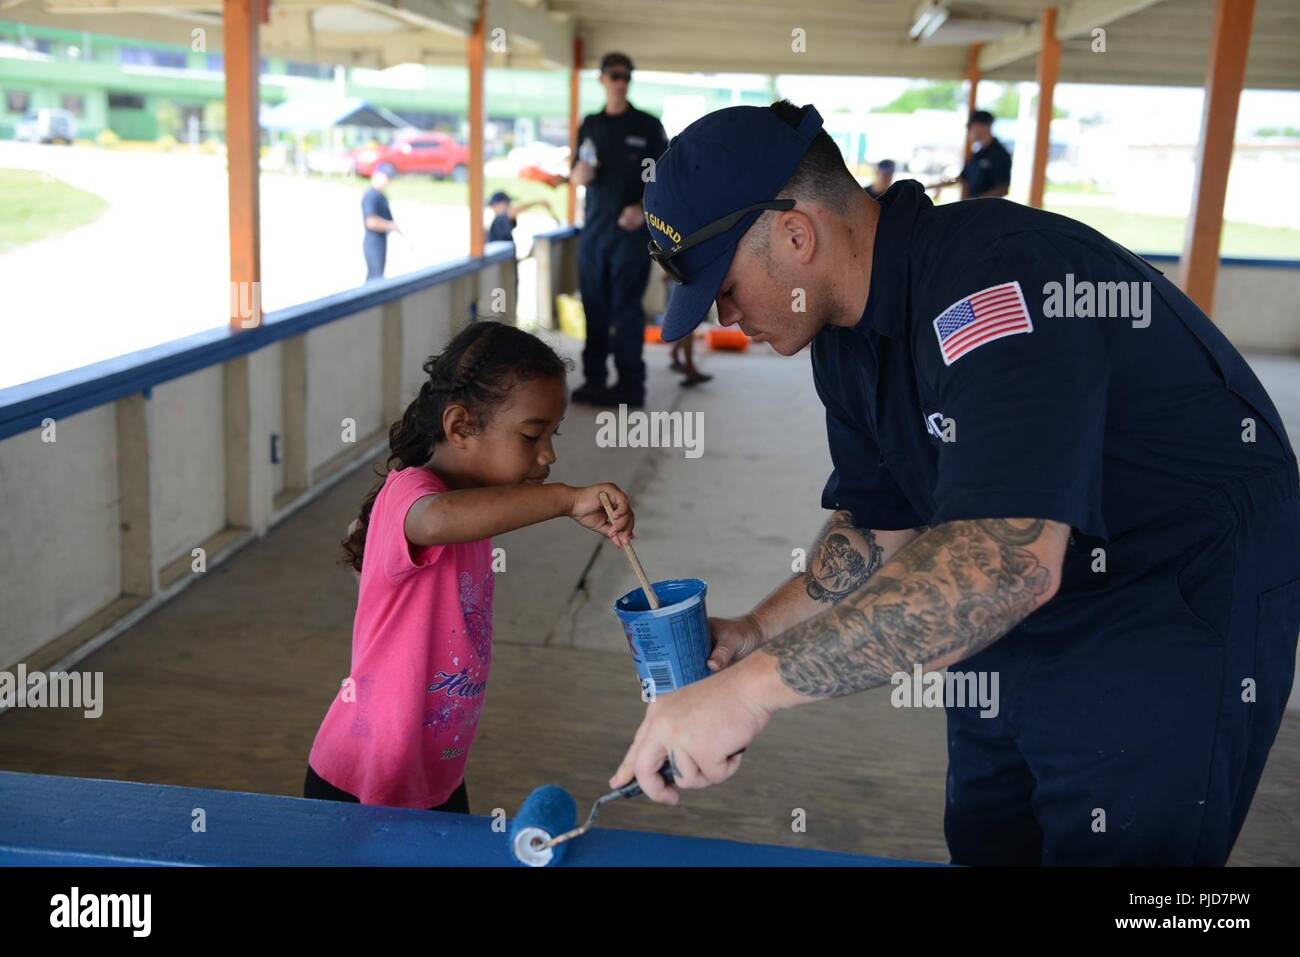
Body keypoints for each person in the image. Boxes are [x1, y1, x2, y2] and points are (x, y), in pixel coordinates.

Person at [616, 100, 1300, 866]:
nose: (727, 316)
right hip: (1029, 589)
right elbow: (882, 526)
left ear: (796, 235)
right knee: (989, 836)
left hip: (1171, 587)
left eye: (726, 288)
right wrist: (755, 634)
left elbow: (1004, 564)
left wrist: (748, 693)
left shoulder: (998, 277)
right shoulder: (841, 332)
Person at [305, 321, 636, 812]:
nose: (549, 454)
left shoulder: (470, 502)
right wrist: (565, 500)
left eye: (552, 434)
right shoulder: (413, 494)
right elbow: (435, 521)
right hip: (369, 771)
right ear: (460, 427)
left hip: (434, 770)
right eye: (531, 435)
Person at [569, 52, 669, 408]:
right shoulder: (592, 124)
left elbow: (664, 179)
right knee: (594, 309)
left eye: (626, 76)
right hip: (595, 233)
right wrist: (580, 174)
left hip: (631, 235)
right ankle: (594, 380)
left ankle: (630, 384)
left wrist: (642, 211)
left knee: (626, 311)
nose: (620, 81)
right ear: (602, 79)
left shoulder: (647, 126)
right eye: (614, 75)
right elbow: (578, 169)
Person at [929, 110, 1012, 200]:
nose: (969, 132)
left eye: (970, 127)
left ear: (980, 126)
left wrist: (975, 202)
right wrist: (937, 185)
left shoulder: (1000, 154)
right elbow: (963, 178)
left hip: (987, 211)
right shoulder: (978, 153)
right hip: (973, 208)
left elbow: (1003, 189)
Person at [362, 164, 400, 282]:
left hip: (382, 240)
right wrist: (390, 226)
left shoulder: (382, 196)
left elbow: (390, 219)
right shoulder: (370, 196)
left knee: (379, 275)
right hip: (373, 242)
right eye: (385, 177)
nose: (387, 181)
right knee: (375, 277)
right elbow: (371, 222)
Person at [486, 190, 555, 253]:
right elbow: (512, 212)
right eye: (507, 203)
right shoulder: (499, 220)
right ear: (496, 205)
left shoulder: (500, 220)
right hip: (500, 261)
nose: (510, 205)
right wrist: (537, 202)